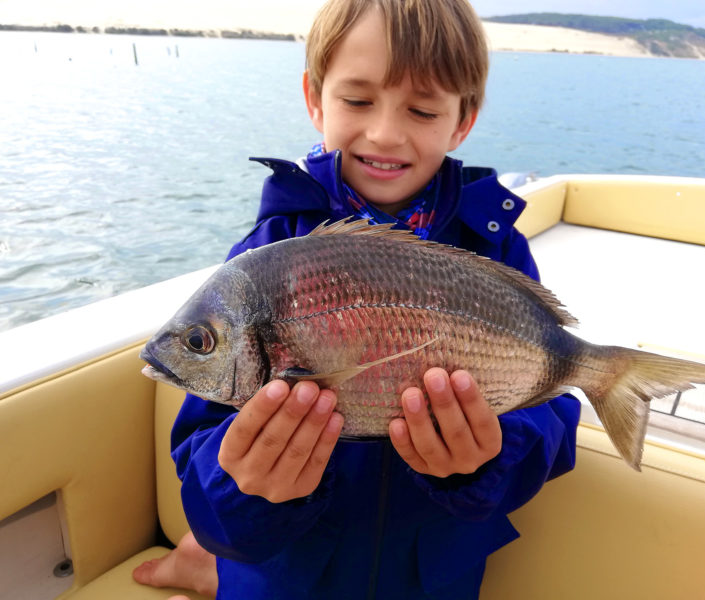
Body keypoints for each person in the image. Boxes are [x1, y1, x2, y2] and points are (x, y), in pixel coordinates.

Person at [133, 0, 580, 598]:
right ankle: (205, 565)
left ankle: (199, 566)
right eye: (357, 100)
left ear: (463, 119)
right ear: (315, 98)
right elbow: (200, 463)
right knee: (229, 548)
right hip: (288, 574)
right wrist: (243, 482)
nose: (385, 133)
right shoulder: (267, 258)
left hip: (428, 575)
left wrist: (485, 461)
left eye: (422, 109)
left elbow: (548, 417)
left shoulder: (494, 250)